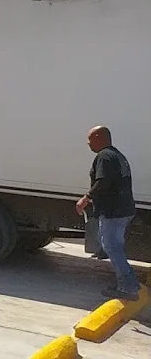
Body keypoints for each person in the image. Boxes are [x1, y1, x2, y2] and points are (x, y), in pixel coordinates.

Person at [75, 126, 140, 300]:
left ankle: (128, 287)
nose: (88, 143)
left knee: (111, 246)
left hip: (113, 211)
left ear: (99, 137)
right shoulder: (116, 155)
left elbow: (103, 182)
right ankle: (128, 283)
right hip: (124, 209)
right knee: (115, 246)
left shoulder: (104, 156)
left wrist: (86, 198)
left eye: (90, 139)